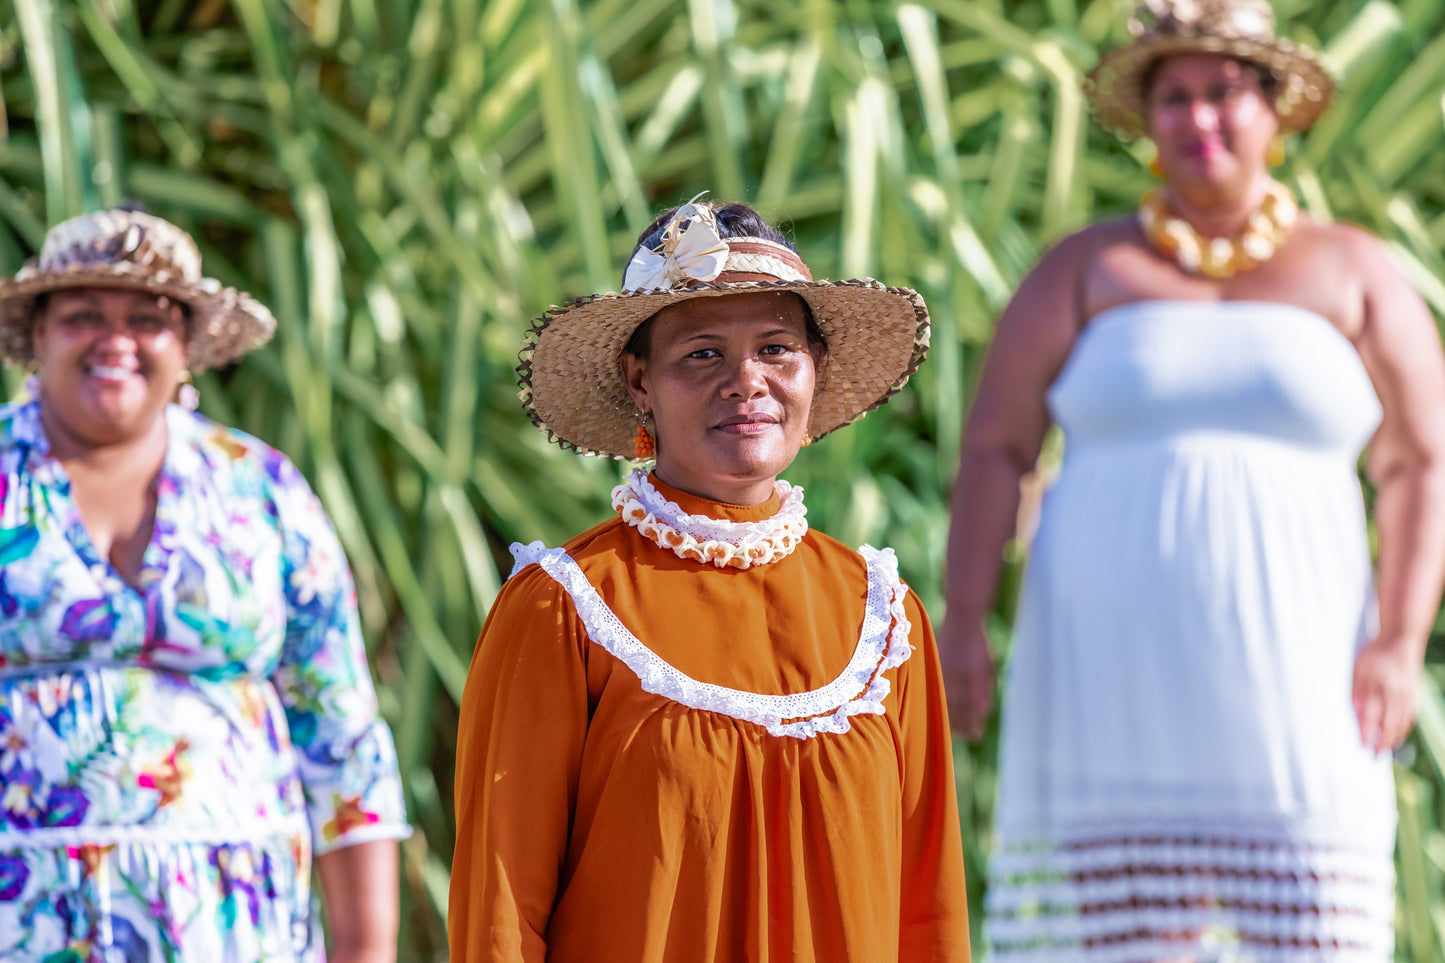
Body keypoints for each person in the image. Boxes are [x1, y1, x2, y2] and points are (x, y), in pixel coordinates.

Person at [943, 0, 1445, 958]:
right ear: (1147, 121)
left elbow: (1420, 461)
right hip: (1109, 666)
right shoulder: (1085, 270)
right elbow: (993, 448)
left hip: (1304, 667)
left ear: (1272, 110)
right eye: (1173, 98)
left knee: (1314, 923)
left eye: (1223, 92)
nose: (1199, 118)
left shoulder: (1354, 271)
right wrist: (964, 618)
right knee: (1133, 936)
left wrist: (1400, 637)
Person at [449, 196, 970, 961]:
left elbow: (929, 909)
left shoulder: (882, 617)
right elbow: (498, 909)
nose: (745, 381)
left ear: (813, 370)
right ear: (638, 381)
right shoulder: (566, 604)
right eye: (701, 353)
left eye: (776, 349)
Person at [0, 207, 409, 962]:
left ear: (185, 347)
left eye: (148, 319)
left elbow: (343, 740)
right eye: (83, 314)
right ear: (37, 337)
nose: (114, 339)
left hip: (238, 927)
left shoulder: (261, 490)